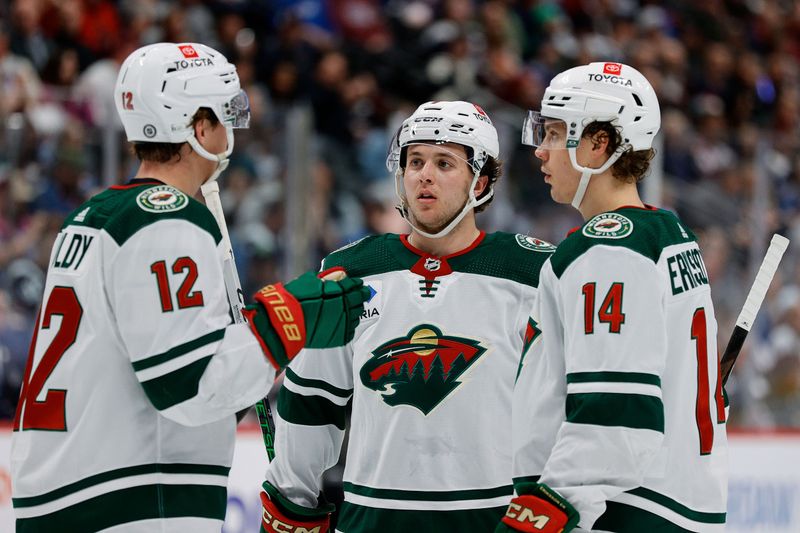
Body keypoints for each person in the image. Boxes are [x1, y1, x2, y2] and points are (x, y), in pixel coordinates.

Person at [10, 42, 369, 533]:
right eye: (226, 114)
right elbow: (188, 385)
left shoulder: (91, 217)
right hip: (130, 504)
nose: (232, 129)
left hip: (66, 497)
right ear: (199, 127)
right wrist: (287, 320)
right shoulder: (169, 222)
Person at [257, 100, 556, 533]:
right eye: (414, 161)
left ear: (482, 181)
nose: (424, 175)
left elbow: (566, 409)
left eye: (444, 163)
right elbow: (312, 399)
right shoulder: (349, 271)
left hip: (495, 523)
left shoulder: (534, 273)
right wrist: (291, 497)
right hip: (371, 521)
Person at [498, 62, 727, 533]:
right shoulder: (668, 232)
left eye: (557, 133)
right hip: (675, 507)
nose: (540, 150)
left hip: (622, 513)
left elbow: (614, 416)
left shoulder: (608, 249)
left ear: (600, 143)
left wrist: (548, 509)